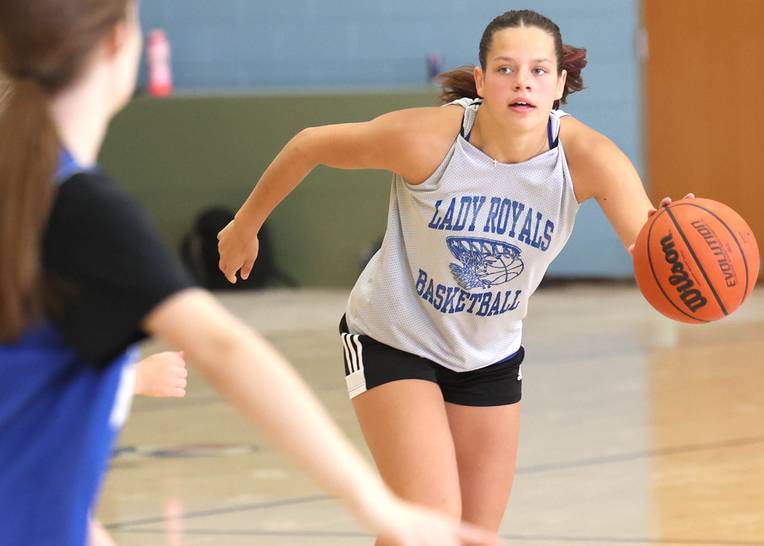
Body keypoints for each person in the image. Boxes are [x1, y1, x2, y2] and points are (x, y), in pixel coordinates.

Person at [0, 2, 499, 546]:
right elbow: (227, 349)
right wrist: (378, 505)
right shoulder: (80, 210)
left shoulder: (33, 200)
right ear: (119, 42)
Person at [217, 8, 687, 543]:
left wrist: (679, 239)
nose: (522, 83)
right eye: (506, 69)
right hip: (393, 336)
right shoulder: (427, 140)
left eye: (537, 71)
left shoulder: (589, 157)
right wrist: (244, 225)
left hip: (487, 355)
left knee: (471, 535)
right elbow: (310, 144)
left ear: (559, 85)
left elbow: (647, 245)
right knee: (429, 523)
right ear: (482, 80)